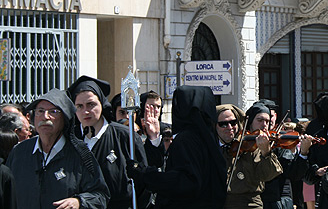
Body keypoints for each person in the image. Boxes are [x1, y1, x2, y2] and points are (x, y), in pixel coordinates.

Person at [126, 85, 227, 208]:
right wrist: (154, 137)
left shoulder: (187, 139)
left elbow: (186, 182)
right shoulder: (208, 136)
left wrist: (146, 175)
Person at [7, 88, 109, 209]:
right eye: (40, 111)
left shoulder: (81, 154)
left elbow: (100, 195)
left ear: (65, 118)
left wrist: (79, 202)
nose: (45, 117)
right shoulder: (19, 152)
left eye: (53, 111)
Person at [68, 75, 148, 209]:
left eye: (91, 104)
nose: (85, 111)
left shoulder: (124, 136)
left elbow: (143, 184)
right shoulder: (71, 138)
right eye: (79, 106)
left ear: (102, 103)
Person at [217, 103, 283, 208]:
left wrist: (266, 152)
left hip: (250, 204)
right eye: (223, 124)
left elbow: (268, 175)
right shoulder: (210, 149)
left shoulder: (251, 145)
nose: (230, 127)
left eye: (233, 123)